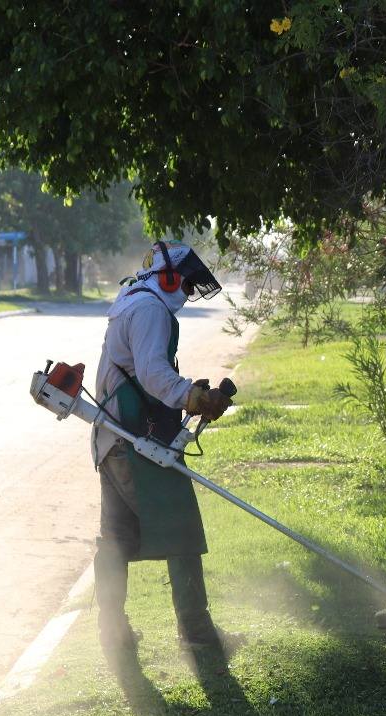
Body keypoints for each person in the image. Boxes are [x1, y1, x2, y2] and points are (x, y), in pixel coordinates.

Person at [91, 240, 230, 653]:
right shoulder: (150, 309)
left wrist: (188, 394)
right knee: (182, 529)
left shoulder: (130, 299)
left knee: (116, 536)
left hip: (111, 437)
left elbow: (142, 371)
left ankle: (113, 632)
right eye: (185, 286)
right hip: (135, 440)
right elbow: (152, 374)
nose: (186, 295)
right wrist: (193, 397)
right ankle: (199, 635)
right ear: (168, 277)